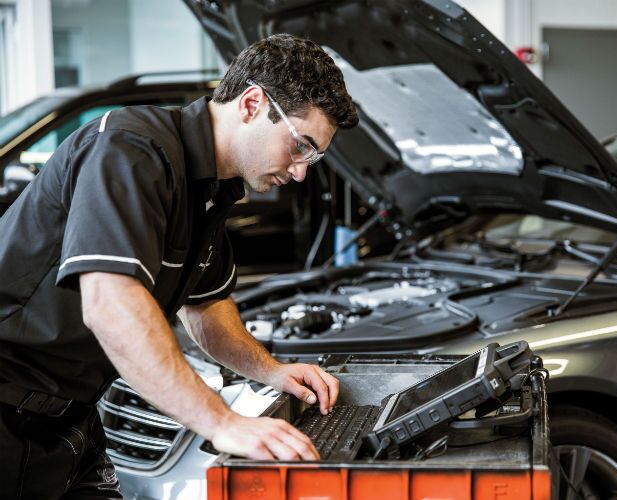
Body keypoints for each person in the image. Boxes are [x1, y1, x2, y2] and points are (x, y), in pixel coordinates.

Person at [0, 33, 358, 498]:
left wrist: (271, 370)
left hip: (70, 422)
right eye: (300, 146)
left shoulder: (211, 189)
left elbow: (207, 309)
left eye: (314, 156)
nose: (301, 171)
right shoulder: (131, 149)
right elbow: (110, 306)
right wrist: (222, 422)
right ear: (252, 104)